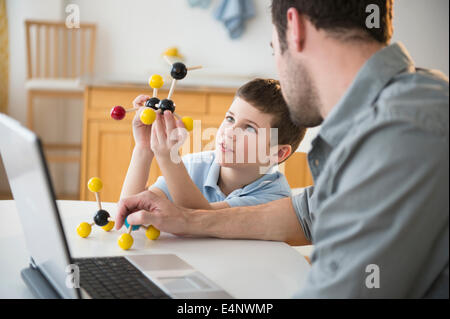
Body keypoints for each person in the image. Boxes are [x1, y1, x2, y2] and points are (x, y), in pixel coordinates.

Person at [116, 0, 449, 298]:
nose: (278, 68)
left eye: (274, 49)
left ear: (295, 27)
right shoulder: (398, 110)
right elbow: (305, 215)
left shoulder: (402, 129)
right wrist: (188, 219)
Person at [119, 78, 307, 212]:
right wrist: (143, 148)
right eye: (230, 118)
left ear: (278, 153)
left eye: (249, 128)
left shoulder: (275, 199)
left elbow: (199, 220)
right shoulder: (193, 166)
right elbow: (132, 212)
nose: (230, 132)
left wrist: (169, 159)